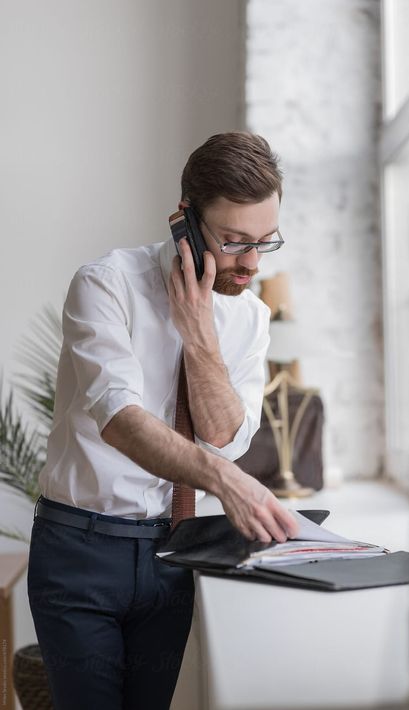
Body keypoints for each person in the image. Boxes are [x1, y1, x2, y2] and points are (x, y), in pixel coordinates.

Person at [27, 131, 299, 710]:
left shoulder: (248, 317)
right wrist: (226, 482)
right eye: (233, 242)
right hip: (80, 551)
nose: (250, 263)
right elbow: (120, 420)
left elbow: (224, 437)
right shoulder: (106, 285)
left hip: (174, 554)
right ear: (184, 221)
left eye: (265, 243)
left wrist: (200, 334)